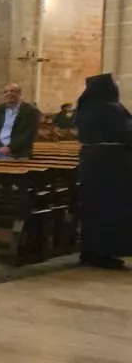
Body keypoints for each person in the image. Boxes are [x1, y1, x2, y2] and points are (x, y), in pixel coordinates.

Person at [75, 74, 132, 270]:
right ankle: (103, 252)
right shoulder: (111, 109)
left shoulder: (85, 108)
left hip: (91, 163)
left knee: (92, 209)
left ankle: (90, 251)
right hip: (112, 166)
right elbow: (127, 132)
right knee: (110, 210)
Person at [0, 82, 39, 159]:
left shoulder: (30, 111)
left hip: (18, 153)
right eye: (6, 92)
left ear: (19, 93)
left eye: (12, 91)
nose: (9, 93)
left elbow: (29, 134)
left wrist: (10, 148)